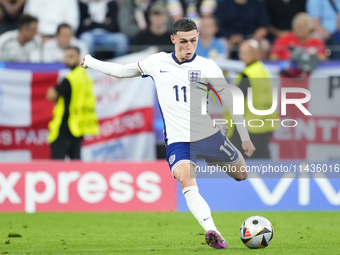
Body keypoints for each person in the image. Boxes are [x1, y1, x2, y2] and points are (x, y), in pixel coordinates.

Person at [80, 17, 255, 249]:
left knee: (241, 174)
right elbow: (122, 71)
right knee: (186, 178)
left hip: (208, 135)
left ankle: (215, 162)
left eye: (193, 41)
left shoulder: (208, 66)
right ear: (173, 39)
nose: (188, 46)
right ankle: (212, 231)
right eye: (183, 41)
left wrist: (243, 135)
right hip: (178, 140)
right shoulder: (157, 62)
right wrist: (90, 61)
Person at [225, 40, 279, 158]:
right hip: (265, 124)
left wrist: (228, 128)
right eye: (241, 52)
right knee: (262, 158)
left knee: (242, 162)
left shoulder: (247, 74)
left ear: (256, 54)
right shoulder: (263, 70)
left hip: (248, 126)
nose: (241, 56)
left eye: (246, 53)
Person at [46, 46, 99, 160]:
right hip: (78, 126)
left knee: (57, 164)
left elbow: (51, 95)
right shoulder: (86, 77)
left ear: (79, 58)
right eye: (66, 56)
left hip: (65, 125)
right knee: (76, 163)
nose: (67, 60)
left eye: (71, 57)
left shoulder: (71, 78)